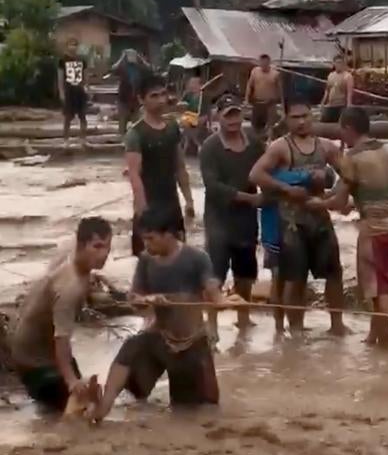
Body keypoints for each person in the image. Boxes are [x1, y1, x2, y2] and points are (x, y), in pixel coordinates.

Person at [89, 208, 236, 421]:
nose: (146, 245)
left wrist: (223, 301)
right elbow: (135, 300)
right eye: (144, 239)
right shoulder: (146, 261)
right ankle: (103, 408)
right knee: (130, 349)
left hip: (190, 342)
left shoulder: (197, 258)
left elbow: (213, 293)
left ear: (169, 235)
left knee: (188, 411)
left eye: (151, 239)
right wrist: (146, 301)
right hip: (159, 336)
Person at [309, 107, 388, 347]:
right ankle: (374, 337)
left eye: (341, 130)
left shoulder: (353, 158)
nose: (340, 135)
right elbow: (386, 192)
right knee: (387, 287)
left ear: (349, 129)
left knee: (377, 288)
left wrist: (318, 203)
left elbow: (340, 201)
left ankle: (385, 346)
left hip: (374, 228)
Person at [249, 97, 345, 335]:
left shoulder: (326, 146)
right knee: (294, 278)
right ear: (287, 119)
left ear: (312, 116)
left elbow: (350, 174)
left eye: (305, 116)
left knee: (334, 273)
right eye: (295, 117)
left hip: (319, 217)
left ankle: (337, 326)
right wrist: (286, 189)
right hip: (291, 221)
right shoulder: (281, 147)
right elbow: (256, 175)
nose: (301, 122)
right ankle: (295, 331)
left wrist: (334, 197)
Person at [10, 217, 112, 412]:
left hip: (40, 349)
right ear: (81, 245)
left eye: (107, 247)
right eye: (97, 247)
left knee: (89, 395)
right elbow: (61, 339)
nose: (104, 254)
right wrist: (71, 382)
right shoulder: (69, 289)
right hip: (34, 363)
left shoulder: (70, 256)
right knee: (79, 408)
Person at [200, 96, 264, 336]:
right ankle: (212, 325)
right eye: (228, 115)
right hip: (219, 219)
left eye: (236, 114)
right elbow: (213, 186)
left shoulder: (255, 144)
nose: (233, 120)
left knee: (245, 273)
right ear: (218, 117)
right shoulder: (210, 147)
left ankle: (244, 320)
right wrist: (249, 198)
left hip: (246, 220)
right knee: (215, 272)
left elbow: (268, 170)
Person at [125, 73, 195, 257]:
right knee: (148, 263)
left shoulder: (172, 128)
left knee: (178, 259)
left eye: (163, 94)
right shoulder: (136, 133)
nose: (161, 100)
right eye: (154, 96)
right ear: (142, 99)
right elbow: (135, 176)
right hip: (149, 205)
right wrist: (142, 212)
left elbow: (180, 167)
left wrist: (188, 200)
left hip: (171, 204)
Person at [261, 166, 335, 334]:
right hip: (277, 227)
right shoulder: (274, 170)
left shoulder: (273, 171)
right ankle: (284, 326)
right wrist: (315, 176)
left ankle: (289, 326)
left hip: (283, 226)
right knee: (283, 278)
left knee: (292, 278)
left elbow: (327, 180)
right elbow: (320, 179)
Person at [109, 48, 152, 134]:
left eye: (133, 55)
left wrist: (140, 59)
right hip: (124, 99)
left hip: (136, 100)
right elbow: (113, 69)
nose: (131, 57)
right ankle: (122, 142)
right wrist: (122, 58)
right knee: (122, 124)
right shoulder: (123, 67)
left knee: (137, 124)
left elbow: (149, 69)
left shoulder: (140, 68)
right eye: (129, 55)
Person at [58, 37, 88, 146]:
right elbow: (60, 77)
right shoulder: (62, 60)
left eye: (75, 45)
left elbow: (85, 75)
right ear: (67, 46)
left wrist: (86, 87)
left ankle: (83, 139)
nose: (73, 47)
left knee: (83, 116)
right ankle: (65, 140)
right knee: (68, 117)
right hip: (68, 91)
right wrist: (61, 92)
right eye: (71, 44)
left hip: (80, 91)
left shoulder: (82, 60)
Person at [244, 54, 282, 137]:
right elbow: (249, 85)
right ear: (260, 63)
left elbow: (280, 89)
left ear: (269, 62)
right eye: (262, 63)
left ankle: (269, 141)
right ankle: (256, 140)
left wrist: (281, 103)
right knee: (255, 125)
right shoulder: (255, 71)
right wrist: (246, 99)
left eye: (265, 63)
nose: (263, 65)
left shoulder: (275, 74)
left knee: (270, 126)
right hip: (257, 102)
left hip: (270, 103)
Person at [320, 54, 353, 123]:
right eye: (337, 62)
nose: (339, 65)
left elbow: (349, 93)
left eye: (340, 62)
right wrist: (323, 103)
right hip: (331, 104)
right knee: (325, 122)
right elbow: (327, 91)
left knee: (340, 124)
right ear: (334, 64)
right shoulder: (331, 75)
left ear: (343, 64)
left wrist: (349, 106)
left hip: (341, 105)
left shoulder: (347, 76)